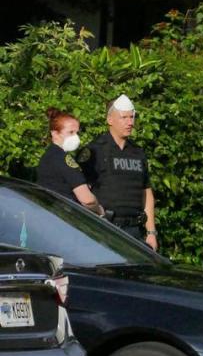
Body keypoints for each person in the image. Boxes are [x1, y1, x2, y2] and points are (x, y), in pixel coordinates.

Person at [79, 94, 158, 250]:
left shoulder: (137, 152)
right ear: (110, 120)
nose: (130, 122)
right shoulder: (94, 150)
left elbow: (146, 193)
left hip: (134, 231)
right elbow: (81, 191)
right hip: (104, 229)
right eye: (124, 117)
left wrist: (151, 232)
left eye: (132, 117)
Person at [36, 108, 105, 216]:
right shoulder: (63, 159)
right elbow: (87, 200)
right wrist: (99, 210)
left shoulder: (49, 156)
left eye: (77, 132)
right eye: (70, 132)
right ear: (55, 134)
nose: (75, 137)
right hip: (63, 217)